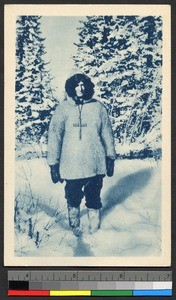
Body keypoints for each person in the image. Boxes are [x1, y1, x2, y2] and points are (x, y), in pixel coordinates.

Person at [47, 73, 116, 236]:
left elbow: (107, 132)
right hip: (71, 163)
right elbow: (54, 136)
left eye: (83, 84)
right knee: (72, 195)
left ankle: (95, 228)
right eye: (77, 85)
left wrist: (110, 156)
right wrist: (53, 164)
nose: (80, 88)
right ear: (71, 87)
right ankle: (74, 225)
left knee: (94, 196)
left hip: (95, 161)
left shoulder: (98, 107)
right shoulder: (62, 108)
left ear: (88, 87)